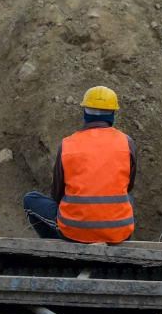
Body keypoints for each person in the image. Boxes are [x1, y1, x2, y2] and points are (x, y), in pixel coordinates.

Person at [23, 86, 136, 244]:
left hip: (74, 233)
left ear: (85, 113)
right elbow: (129, 185)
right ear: (113, 114)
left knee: (30, 199)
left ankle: (55, 249)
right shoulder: (127, 142)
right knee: (127, 197)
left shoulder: (68, 144)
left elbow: (57, 194)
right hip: (118, 233)